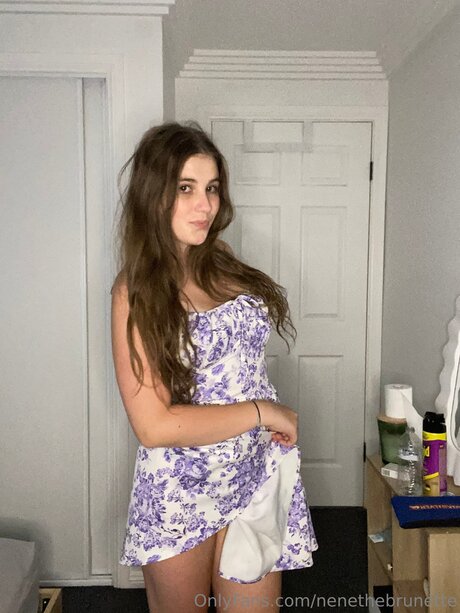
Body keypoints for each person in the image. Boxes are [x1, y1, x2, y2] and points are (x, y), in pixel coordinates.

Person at [111, 121, 318, 613]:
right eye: (185, 188)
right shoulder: (135, 292)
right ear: (153, 195)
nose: (204, 205)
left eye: (212, 188)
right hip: (182, 489)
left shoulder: (217, 257)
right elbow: (154, 426)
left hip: (253, 472)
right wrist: (264, 411)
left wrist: (262, 420)